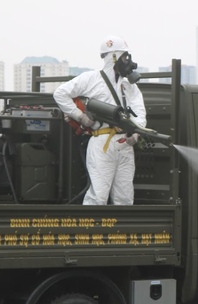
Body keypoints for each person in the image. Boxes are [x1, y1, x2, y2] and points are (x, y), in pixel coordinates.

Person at [53, 36, 146, 205]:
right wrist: (80, 116)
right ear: (113, 57)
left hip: (125, 143)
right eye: (124, 56)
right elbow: (60, 93)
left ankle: (121, 231)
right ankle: (91, 231)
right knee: (98, 197)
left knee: (125, 198)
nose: (127, 60)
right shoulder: (92, 79)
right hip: (102, 143)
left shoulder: (129, 84)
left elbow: (139, 111)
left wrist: (137, 132)